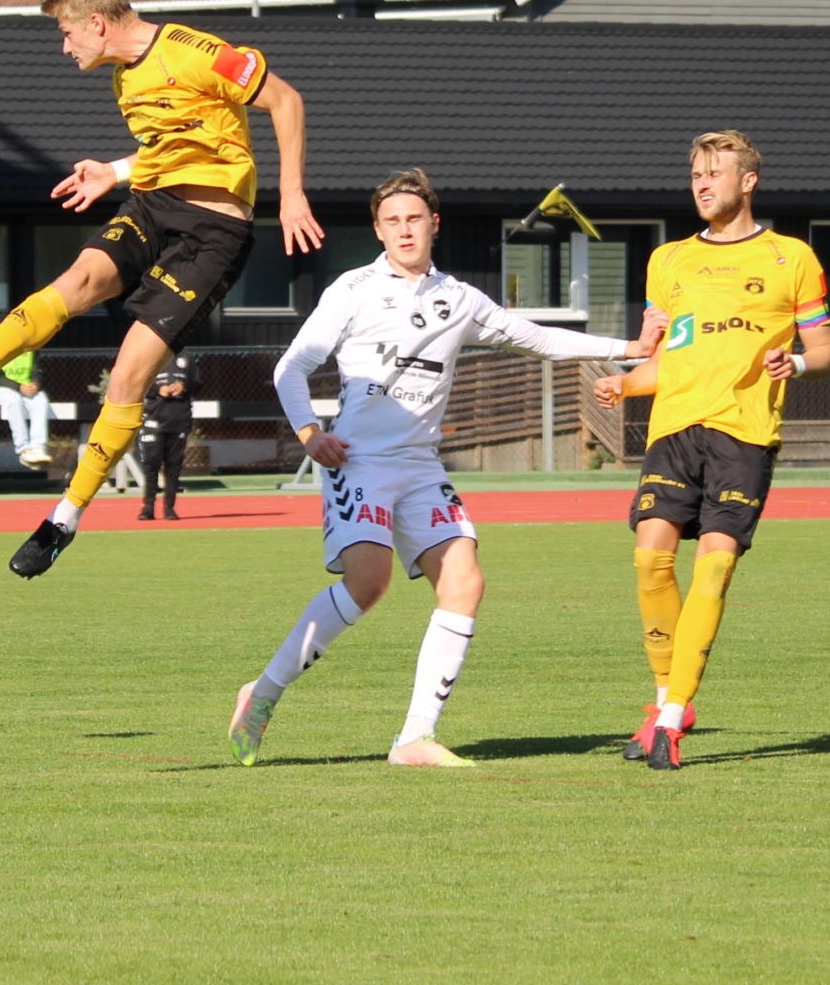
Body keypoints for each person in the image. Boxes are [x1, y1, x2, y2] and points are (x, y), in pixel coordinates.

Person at [231, 170, 656, 768]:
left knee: (465, 582)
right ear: (378, 231)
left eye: (414, 219)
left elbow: (535, 338)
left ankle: (414, 739)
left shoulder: (461, 299)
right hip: (358, 460)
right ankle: (263, 693)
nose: (404, 230)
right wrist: (310, 434)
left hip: (421, 467)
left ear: (434, 224)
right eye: (392, 221)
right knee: (368, 583)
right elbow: (291, 368)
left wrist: (628, 349)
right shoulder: (352, 289)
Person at [0, 0, 320, 578]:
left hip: (212, 234)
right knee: (76, 281)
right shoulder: (123, 77)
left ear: (96, 23)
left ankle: (63, 519)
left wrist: (291, 195)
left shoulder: (194, 51)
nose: (64, 47)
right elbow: (171, 145)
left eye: (66, 32)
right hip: (152, 205)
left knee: (128, 375)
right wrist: (115, 170)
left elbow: (285, 100)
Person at [593, 131, 830, 772]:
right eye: (696, 174)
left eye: (714, 173)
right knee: (649, 559)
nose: (702, 184)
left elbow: (826, 353)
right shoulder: (668, 260)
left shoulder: (791, 258)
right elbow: (667, 360)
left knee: (713, 567)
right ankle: (665, 700)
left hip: (744, 435)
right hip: (674, 429)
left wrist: (796, 363)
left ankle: (671, 717)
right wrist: (625, 382)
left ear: (747, 181)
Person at [136, 356, 195, 520]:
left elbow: (197, 384)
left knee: (173, 466)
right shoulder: (150, 357)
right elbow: (138, 385)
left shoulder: (186, 357)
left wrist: (183, 386)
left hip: (179, 420)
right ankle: (148, 507)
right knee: (151, 463)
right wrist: (157, 390)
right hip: (154, 420)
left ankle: (169, 508)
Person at [0, 346, 52, 469]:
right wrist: (18, 387)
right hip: (1, 389)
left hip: (26, 389)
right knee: (14, 401)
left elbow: (37, 371)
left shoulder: (31, 347)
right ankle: (23, 450)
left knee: (41, 400)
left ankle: (37, 448)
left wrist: (35, 384)